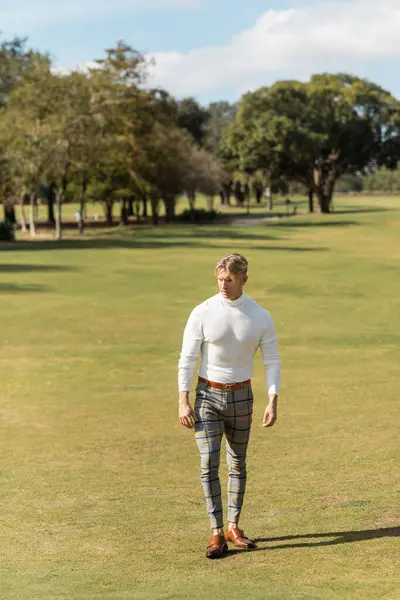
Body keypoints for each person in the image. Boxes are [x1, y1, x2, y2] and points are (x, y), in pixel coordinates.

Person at [178, 253, 281, 559]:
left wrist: (272, 400)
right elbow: (186, 358)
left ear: (243, 280)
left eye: (230, 279)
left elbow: (272, 360)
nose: (223, 284)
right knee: (208, 462)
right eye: (220, 278)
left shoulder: (260, 316)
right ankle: (215, 532)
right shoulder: (202, 312)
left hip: (242, 397)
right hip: (207, 395)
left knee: (237, 463)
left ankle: (234, 526)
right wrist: (183, 401)